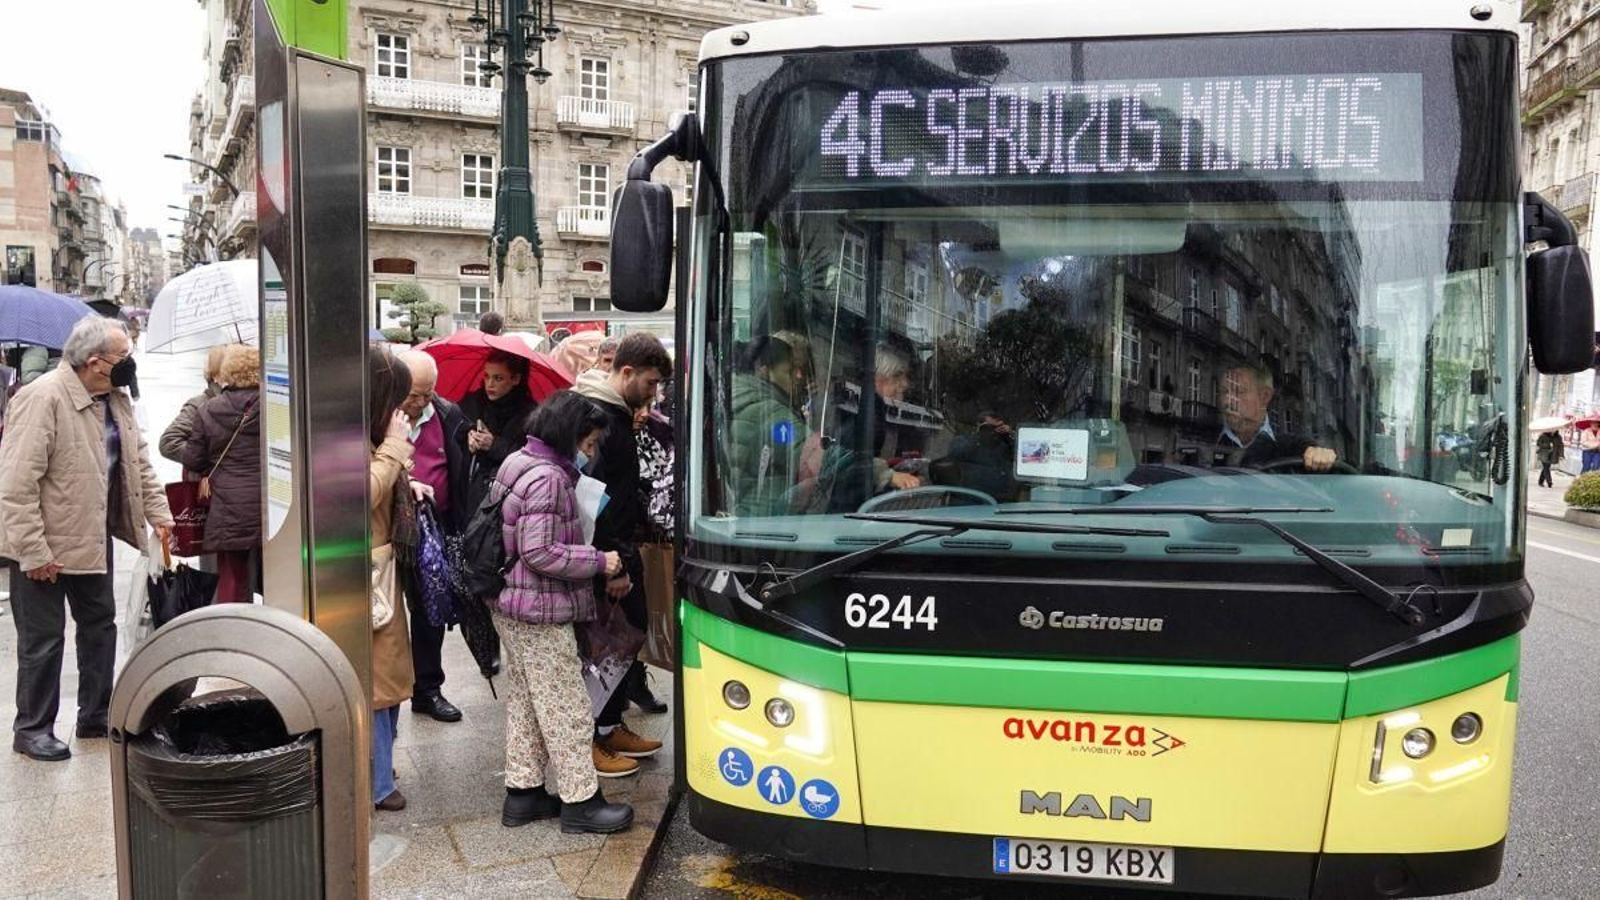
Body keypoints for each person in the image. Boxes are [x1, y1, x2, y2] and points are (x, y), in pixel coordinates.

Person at [0, 317, 173, 762]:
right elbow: (16, 486)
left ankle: (95, 715)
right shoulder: (41, 399)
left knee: (99, 629)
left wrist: (159, 514)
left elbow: (138, 461)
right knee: (43, 640)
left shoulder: (114, 398)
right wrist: (33, 551)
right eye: (124, 356)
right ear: (95, 362)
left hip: (93, 537)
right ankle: (33, 728)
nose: (129, 363)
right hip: (45, 545)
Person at [494, 390, 634, 834]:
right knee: (566, 706)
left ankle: (524, 793)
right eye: (589, 443)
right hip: (540, 609)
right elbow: (540, 551)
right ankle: (582, 803)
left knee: (527, 703)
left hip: (511, 602)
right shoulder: (549, 478)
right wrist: (599, 560)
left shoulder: (517, 461)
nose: (590, 454)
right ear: (570, 435)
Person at [572, 333, 671, 773]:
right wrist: (610, 562)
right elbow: (594, 497)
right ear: (626, 373)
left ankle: (610, 726)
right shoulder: (601, 418)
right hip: (608, 552)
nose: (653, 395)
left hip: (620, 546)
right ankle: (592, 734)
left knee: (624, 639)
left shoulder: (615, 414)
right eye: (649, 384)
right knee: (608, 643)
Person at [397, 350, 470, 723]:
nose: (422, 402)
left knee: (431, 610)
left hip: (434, 526)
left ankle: (427, 689)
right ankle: (390, 693)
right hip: (392, 529)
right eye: (414, 394)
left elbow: (458, 468)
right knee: (391, 612)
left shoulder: (447, 413)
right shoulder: (379, 416)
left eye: (428, 393)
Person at [368, 347, 420, 811]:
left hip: (380, 571)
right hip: (368, 577)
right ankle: (377, 782)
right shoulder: (361, 439)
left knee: (387, 682)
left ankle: (380, 770)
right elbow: (360, 492)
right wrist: (392, 450)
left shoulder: (371, 434)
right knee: (379, 685)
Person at [180, 345, 261, 603]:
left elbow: (193, 458)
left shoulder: (209, 409)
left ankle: (234, 629)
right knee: (275, 574)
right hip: (269, 503)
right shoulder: (275, 406)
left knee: (232, 575)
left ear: (227, 372)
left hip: (227, 505)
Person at [730, 333, 812, 516]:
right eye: (790, 371)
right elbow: (817, 455)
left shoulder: (736, 396)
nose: (799, 376)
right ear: (764, 372)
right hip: (762, 522)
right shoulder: (770, 412)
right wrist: (880, 473)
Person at [1214, 362, 1337, 472]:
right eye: (1223, 392)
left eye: (1238, 391)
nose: (1226, 402)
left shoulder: (1293, 447)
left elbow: (1317, 456)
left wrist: (1320, 455)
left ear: (1265, 396)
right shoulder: (1205, 438)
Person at [458, 351, 536, 513]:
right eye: (486, 376)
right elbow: (454, 440)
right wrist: (468, 442)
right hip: (472, 491)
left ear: (515, 379)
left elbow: (532, 458)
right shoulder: (472, 403)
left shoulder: (531, 414)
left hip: (512, 495)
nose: (490, 384)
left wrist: (493, 445)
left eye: (498, 378)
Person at [159, 344, 229, 470]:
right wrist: (205, 458)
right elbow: (169, 443)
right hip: (206, 483)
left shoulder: (249, 402)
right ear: (216, 376)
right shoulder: (199, 404)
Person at [937, 412, 1020, 501]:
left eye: (998, 428)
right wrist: (980, 438)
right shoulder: (964, 440)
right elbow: (955, 454)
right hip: (967, 499)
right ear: (979, 426)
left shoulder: (1004, 445)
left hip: (1000, 500)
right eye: (990, 428)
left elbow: (1023, 459)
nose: (994, 431)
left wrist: (1010, 435)